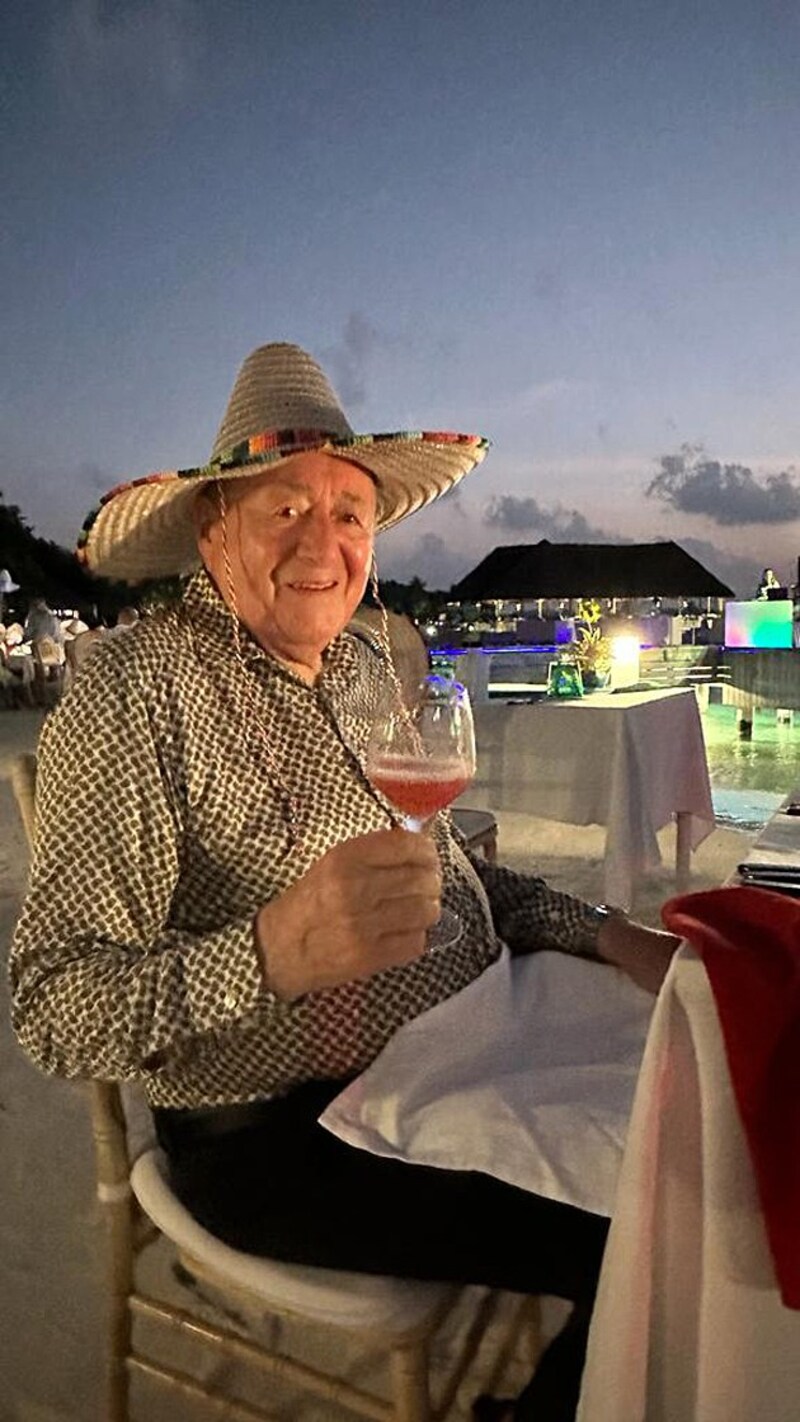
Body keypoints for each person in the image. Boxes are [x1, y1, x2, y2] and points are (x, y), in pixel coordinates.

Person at [11, 343, 679, 1421]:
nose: (325, 545)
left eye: (350, 515)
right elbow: (55, 1013)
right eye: (285, 511)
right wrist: (271, 952)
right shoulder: (136, 693)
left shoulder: (366, 666)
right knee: (655, 1228)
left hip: (471, 1043)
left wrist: (608, 933)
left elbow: (455, 877)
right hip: (287, 1135)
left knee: (691, 1088)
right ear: (211, 526)